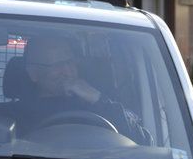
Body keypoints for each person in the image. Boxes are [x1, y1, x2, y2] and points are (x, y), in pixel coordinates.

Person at [18, 32, 151, 144]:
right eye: (57, 65)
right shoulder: (14, 115)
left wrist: (97, 98)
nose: (68, 70)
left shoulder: (100, 107)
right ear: (33, 73)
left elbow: (143, 141)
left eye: (70, 61)